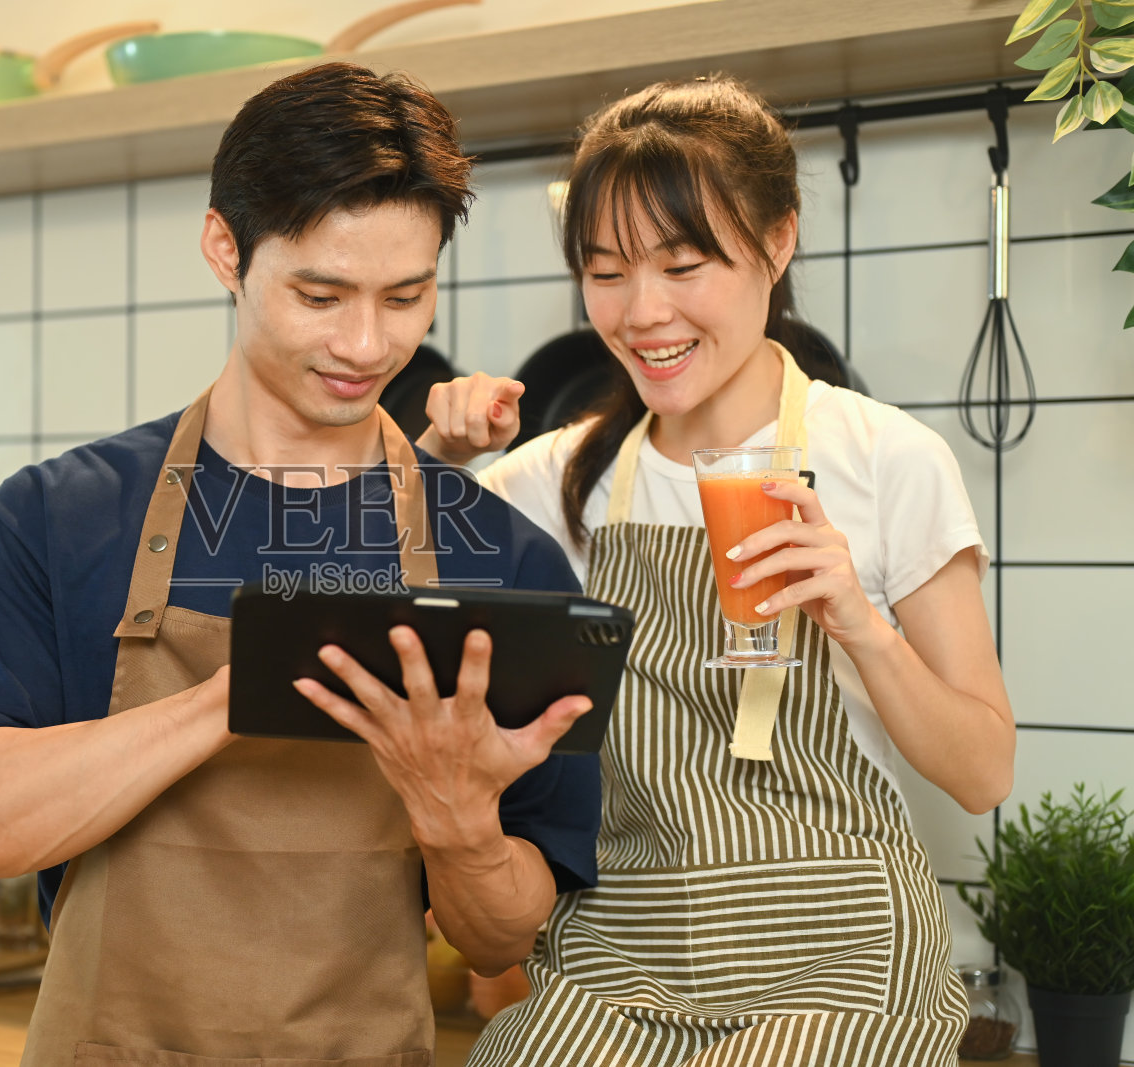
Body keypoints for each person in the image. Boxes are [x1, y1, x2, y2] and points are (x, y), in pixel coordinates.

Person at [0, 61, 603, 1065]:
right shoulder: (60, 518)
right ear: (224, 248)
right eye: (320, 293)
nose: (366, 343)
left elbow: (504, 937)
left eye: (406, 297)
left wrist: (460, 826)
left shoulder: (498, 554)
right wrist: (235, 697)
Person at [418, 76, 1015, 1065]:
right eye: (605, 272)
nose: (642, 312)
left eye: (683, 263)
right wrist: (431, 458)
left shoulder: (885, 458)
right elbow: (340, 574)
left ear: (777, 242)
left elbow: (982, 770)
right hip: (618, 948)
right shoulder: (555, 478)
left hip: (838, 954)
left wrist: (858, 621)